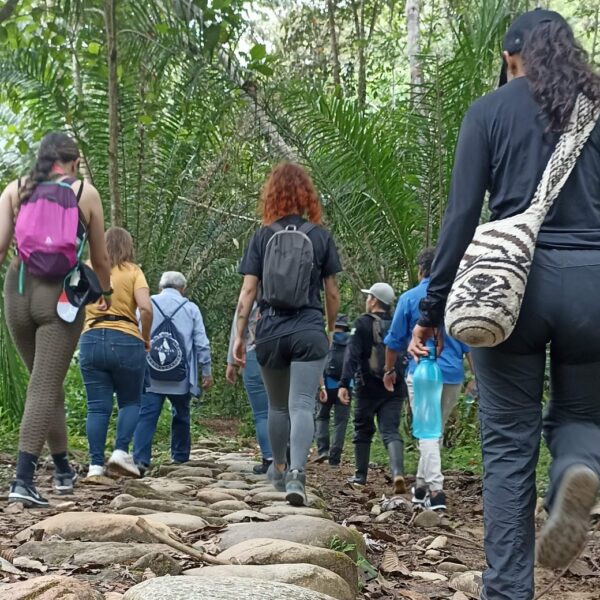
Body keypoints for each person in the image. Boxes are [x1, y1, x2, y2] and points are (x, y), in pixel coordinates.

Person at [408, 9, 600, 600]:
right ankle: (573, 470)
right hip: (593, 284)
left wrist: (431, 307)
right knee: (584, 417)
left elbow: (461, 216)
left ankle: (509, 589)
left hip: (510, 286)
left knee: (508, 441)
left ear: (512, 54)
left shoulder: (489, 112)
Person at [0, 132, 112, 507]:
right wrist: (105, 294)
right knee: (44, 385)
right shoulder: (86, 193)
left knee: (44, 381)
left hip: (17, 290)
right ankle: (23, 479)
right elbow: (100, 258)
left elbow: (1, 247)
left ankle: (63, 467)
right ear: (74, 161)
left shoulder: (16, 190)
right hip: (60, 295)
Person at [233, 162, 341, 507]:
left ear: (272, 195)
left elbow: (248, 292)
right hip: (308, 328)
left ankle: (278, 469)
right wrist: (329, 328)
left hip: (269, 331)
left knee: (277, 407)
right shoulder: (320, 236)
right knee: (303, 405)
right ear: (306, 195)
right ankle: (297, 473)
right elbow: (333, 292)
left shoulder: (262, 236)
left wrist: (239, 335)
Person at [383, 247, 474, 512]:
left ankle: (436, 491)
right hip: (453, 375)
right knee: (434, 431)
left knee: (428, 431)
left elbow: (394, 341)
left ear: (422, 270)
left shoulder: (410, 298)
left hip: (423, 373)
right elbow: (471, 344)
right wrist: (476, 378)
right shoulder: (458, 298)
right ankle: (421, 487)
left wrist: (389, 371)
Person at [80, 227, 152, 479]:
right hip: (126, 340)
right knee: (130, 401)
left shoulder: (86, 267)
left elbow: (71, 305)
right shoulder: (133, 271)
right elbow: (146, 309)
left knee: (97, 408)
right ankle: (121, 451)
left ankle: (95, 466)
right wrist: (146, 338)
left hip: (90, 339)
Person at [133, 271, 213, 473]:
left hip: (151, 373)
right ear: (182, 289)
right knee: (182, 414)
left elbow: (135, 332)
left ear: (160, 287)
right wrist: (206, 371)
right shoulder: (191, 308)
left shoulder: (147, 303)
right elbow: (201, 342)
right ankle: (180, 457)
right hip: (181, 375)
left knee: (147, 416)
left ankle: (141, 460)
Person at [339, 283, 406, 494]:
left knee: (363, 430)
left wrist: (344, 383)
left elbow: (352, 355)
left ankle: (360, 476)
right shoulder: (398, 322)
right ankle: (397, 473)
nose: (367, 300)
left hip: (367, 387)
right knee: (391, 430)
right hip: (395, 385)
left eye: (369, 297)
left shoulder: (362, 323)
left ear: (374, 300)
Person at [227, 302, 273, 474]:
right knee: (284, 409)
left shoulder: (250, 298)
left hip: (254, 354)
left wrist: (231, 362)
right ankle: (287, 460)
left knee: (262, 414)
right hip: (283, 355)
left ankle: (269, 459)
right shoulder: (289, 291)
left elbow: (237, 328)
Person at [314, 314, 352, 467]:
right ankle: (334, 458)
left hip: (327, 384)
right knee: (340, 422)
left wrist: (320, 385)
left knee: (322, 417)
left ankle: (323, 450)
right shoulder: (352, 341)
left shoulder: (325, 338)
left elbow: (318, 361)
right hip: (346, 386)